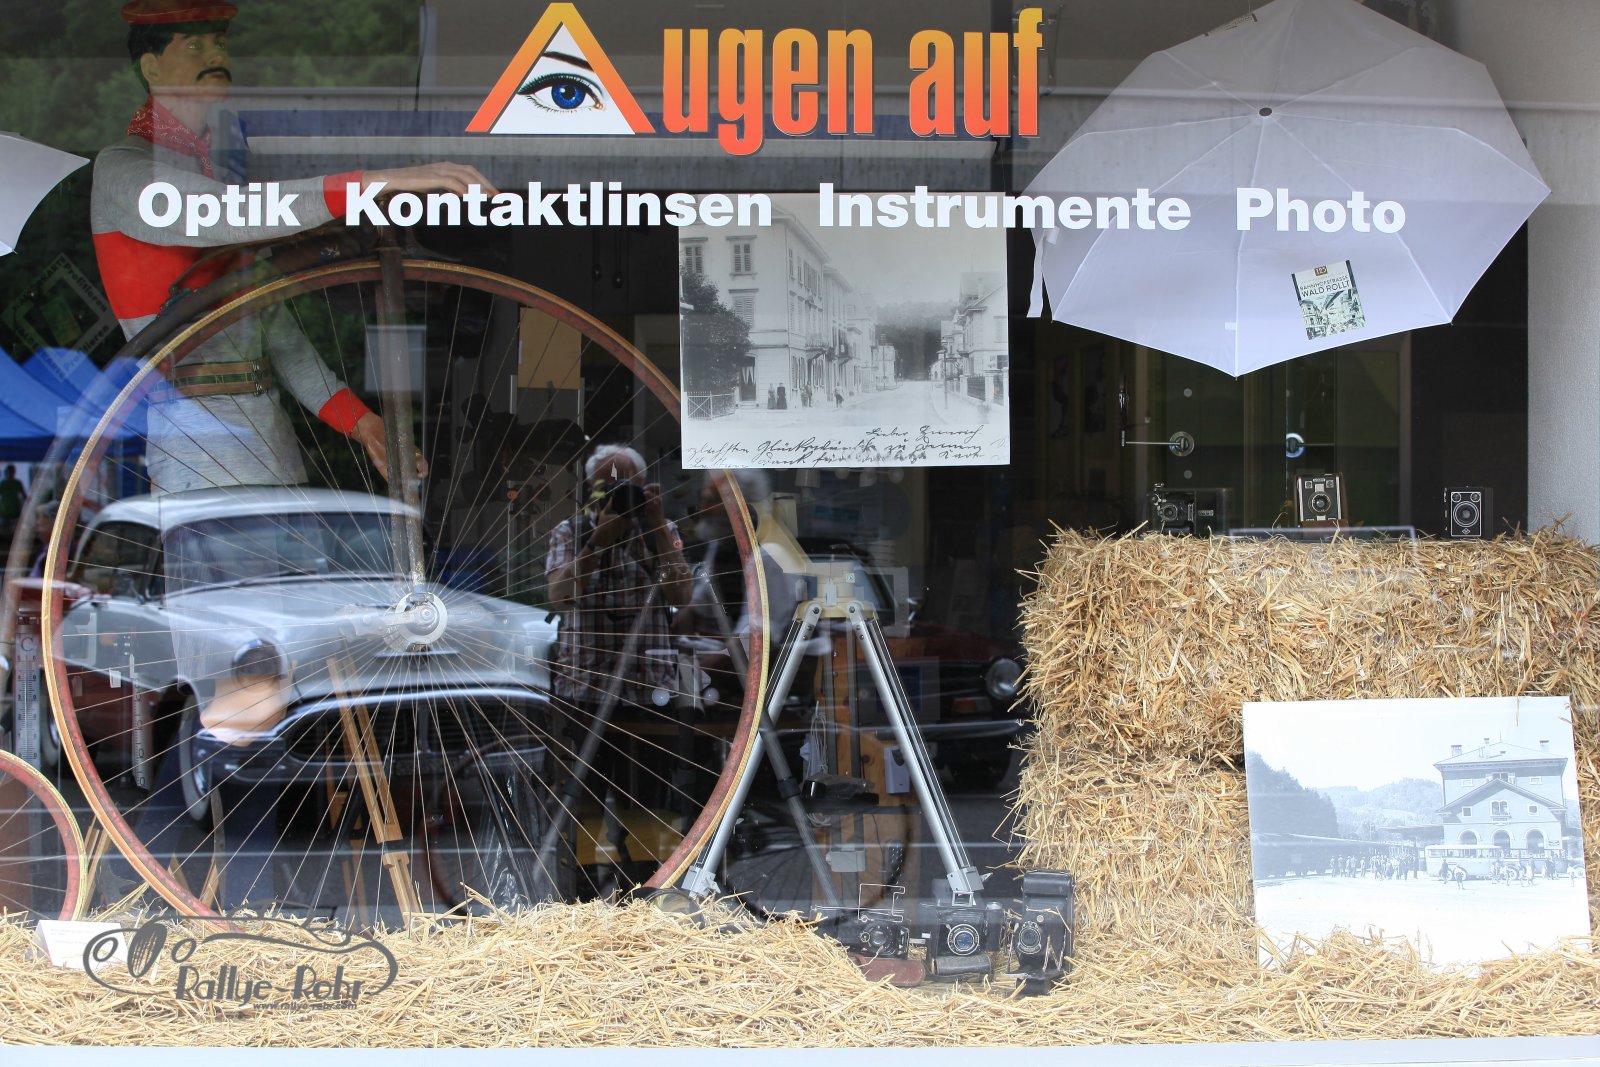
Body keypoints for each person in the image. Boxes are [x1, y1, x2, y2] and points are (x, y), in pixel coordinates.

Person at [93, 0, 490, 494]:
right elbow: (218, 213)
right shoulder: (124, 169)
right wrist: (366, 183)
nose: (215, 55)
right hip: (197, 450)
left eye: (220, 43)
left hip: (268, 439)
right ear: (151, 66)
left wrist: (362, 422)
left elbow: (275, 334)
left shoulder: (217, 169)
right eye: (193, 45)